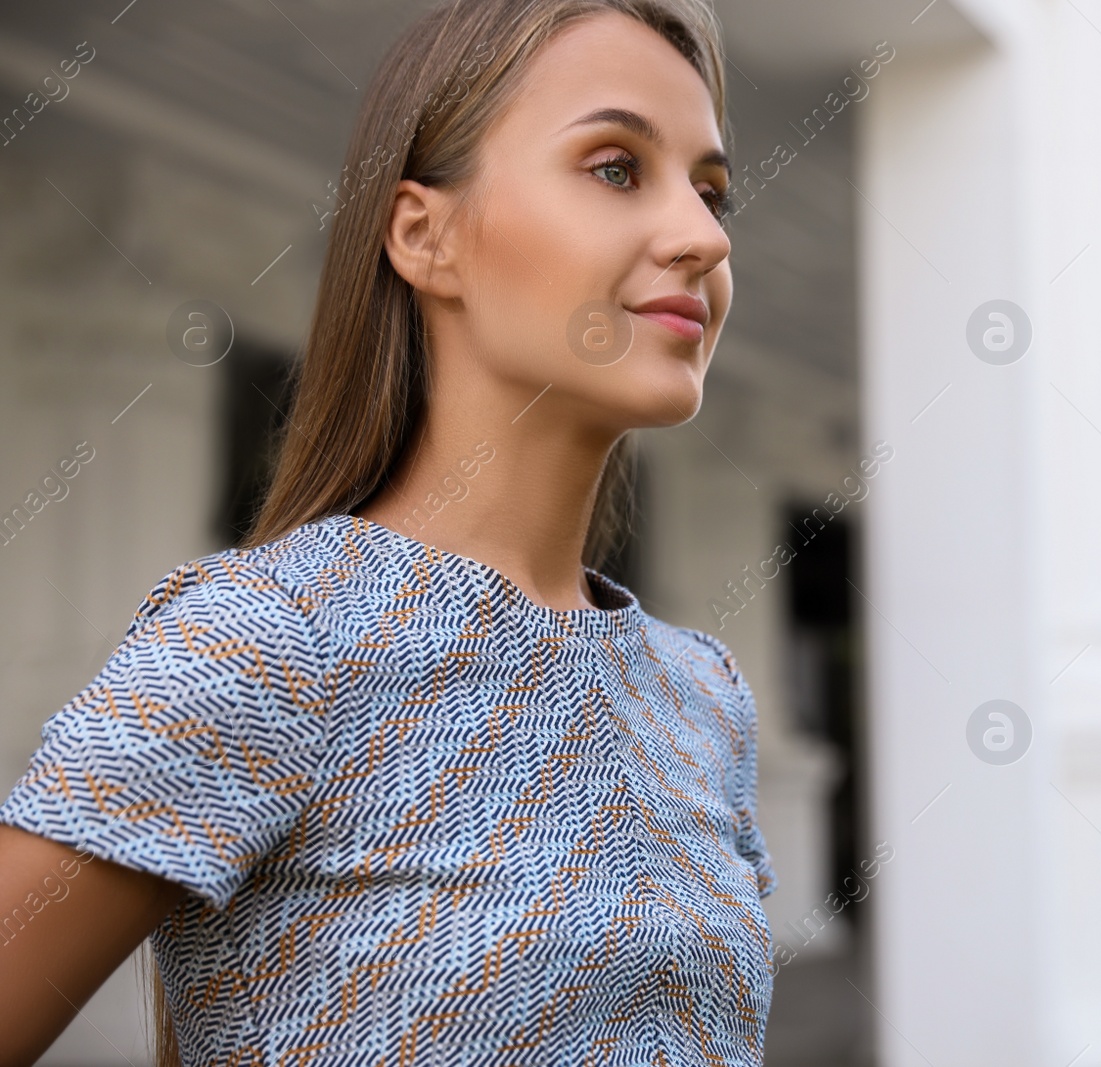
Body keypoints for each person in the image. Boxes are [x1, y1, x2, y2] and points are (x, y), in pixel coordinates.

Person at [0, 0, 777, 1062]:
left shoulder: (706, 698)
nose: (701, 235)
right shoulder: (272, 641)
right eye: (613, 166)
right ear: (426, 235)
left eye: (711, 188)